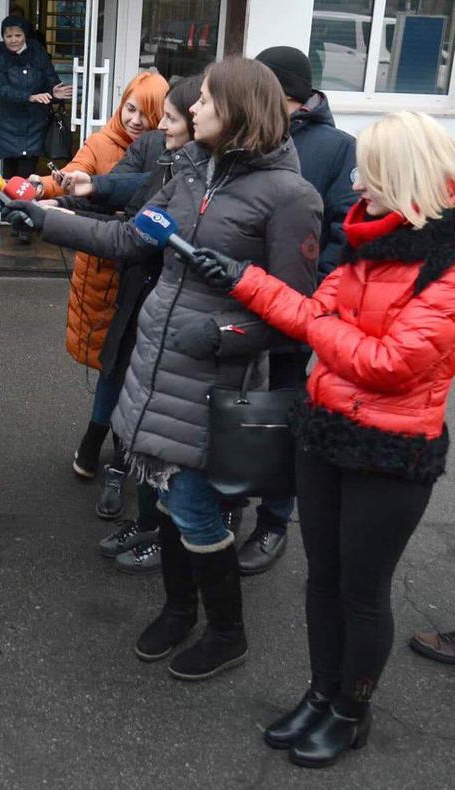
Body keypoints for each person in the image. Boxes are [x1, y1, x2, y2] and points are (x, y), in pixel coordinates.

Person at [2, 57, 322, 681]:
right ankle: (179, 611)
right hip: (156, 367)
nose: (191, 109)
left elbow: (295, 314)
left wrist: (223, 334)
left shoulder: (292, 197)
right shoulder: (190, 171)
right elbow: (129, 241)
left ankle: (227, 632)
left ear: (236, 113)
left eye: (204, 100)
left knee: (198, 511)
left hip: (214, 381)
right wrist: (46, 219)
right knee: (172, 503)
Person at [189, 111, 455, 766]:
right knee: (322, 579)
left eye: (371, 169)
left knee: (361, 591)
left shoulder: (445, 268)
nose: (357, 178)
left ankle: (350, 709)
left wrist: (321, 335)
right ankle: (319, 692)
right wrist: (244, 279)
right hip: (325, 433)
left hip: (390, 454)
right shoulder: (370, 245)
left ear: (403, 176)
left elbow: (389, 363)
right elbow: (316, 311)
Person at [215, 46, 362, 576]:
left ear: (283, 92)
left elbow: (346, 235)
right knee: (230, 416)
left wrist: (307, 298)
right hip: (235, 309)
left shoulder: (336, 148)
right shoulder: (238, 138)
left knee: (281, 421)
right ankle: (228, 503)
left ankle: (275, 521)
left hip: (293, 318)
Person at [61, 76, 204, 576]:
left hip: (188, 327)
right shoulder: (165, 156)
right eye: (146, 111)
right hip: (138, 292)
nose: (154, 124)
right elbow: (130, 207)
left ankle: (171, 535)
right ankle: (144, 516)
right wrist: (74, 195)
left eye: (168, 115)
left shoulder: (216, 179)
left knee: (171, 434)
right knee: (123, 386)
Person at [29, 71, 169, 480]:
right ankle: (100, 441)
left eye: (149, 113)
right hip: (102, 269)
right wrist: (40, 188)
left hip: (140, 274)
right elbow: (74, 176)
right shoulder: (102, 141)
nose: (136, 120)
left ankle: (116, 451)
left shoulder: (169, 157)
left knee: (134, 368)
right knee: (112, 365)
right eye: (130, 108)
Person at [0, 14, 72, 181]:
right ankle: (10, 207)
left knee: (27, 179)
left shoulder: (38, 53)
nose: (13, 40)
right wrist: (29, 97)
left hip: (35, 125)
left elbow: (50, 79)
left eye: (18, 35)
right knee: (9, 181)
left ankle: (24, 207)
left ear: (25, 35)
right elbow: (0, 89)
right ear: (3, 37)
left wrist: (54, 93)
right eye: (8, 36)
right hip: (8, 125)